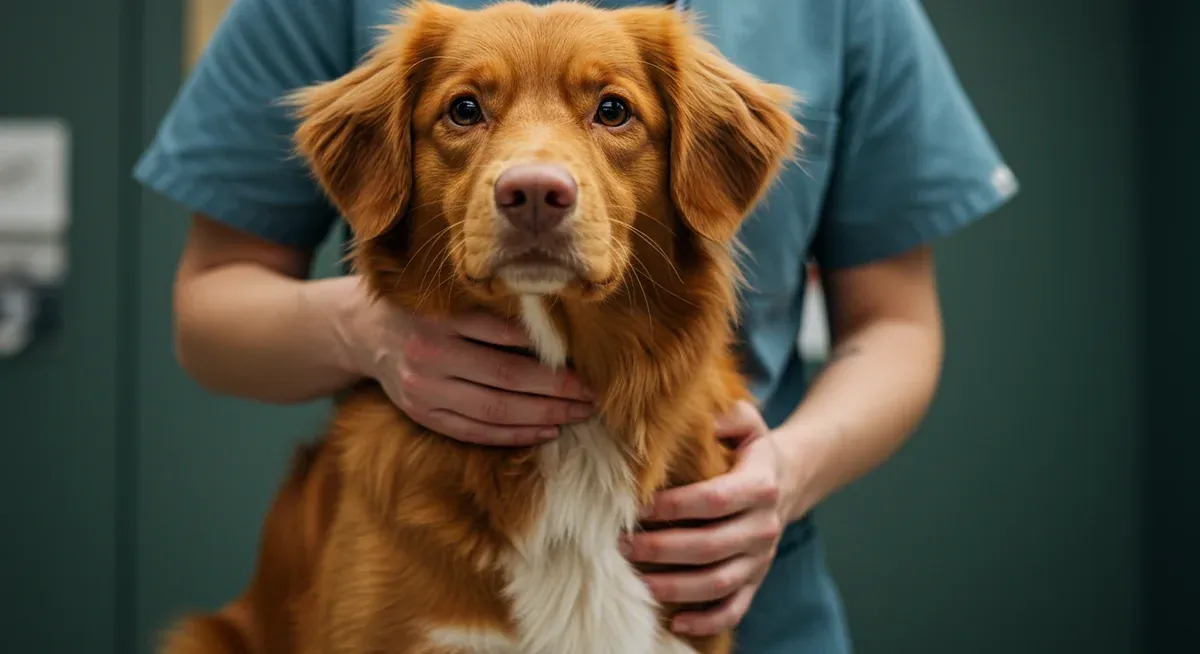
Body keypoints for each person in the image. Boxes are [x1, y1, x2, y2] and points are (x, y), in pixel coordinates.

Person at [134, 0, 1018, 651]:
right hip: (413, 539)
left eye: (613, 111)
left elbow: (896, 324)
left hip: (728, 574)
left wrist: (780, 477)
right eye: (466, 111)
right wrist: (363, 329)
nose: (534, 173)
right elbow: (209, 303)